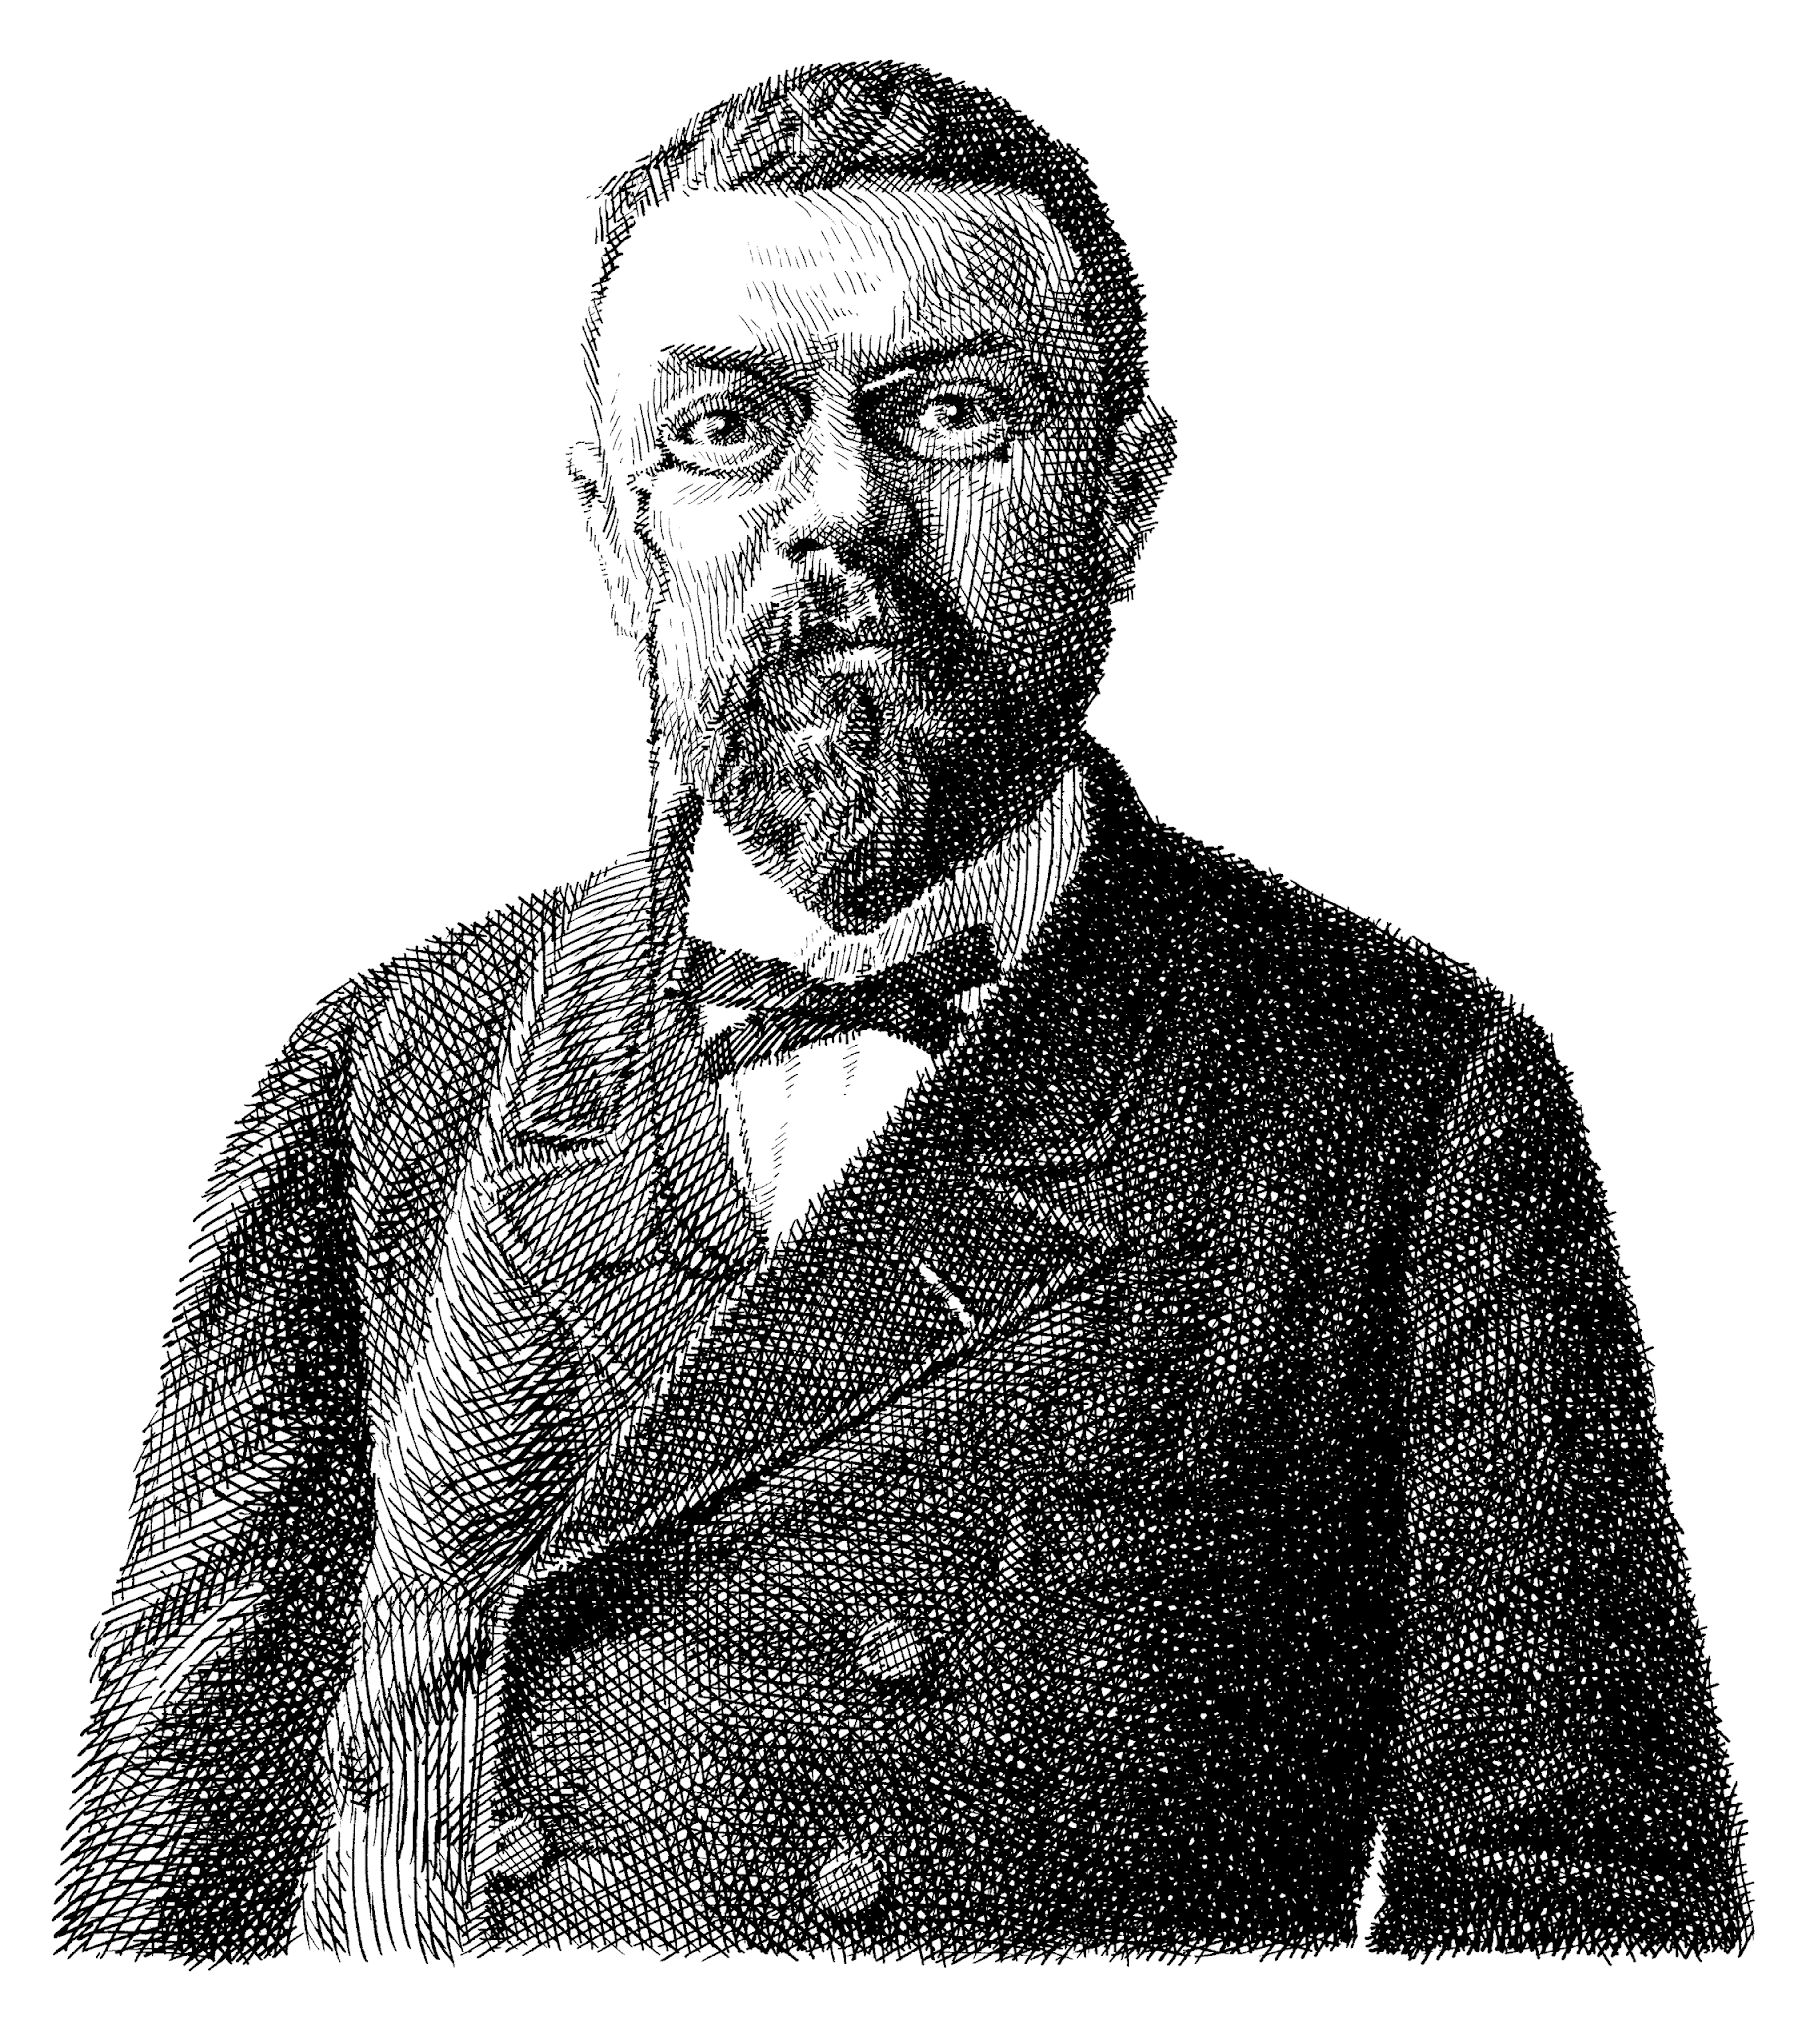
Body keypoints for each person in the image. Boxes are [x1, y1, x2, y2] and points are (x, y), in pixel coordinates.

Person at [58, 60, 1749, 1962]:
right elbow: (154, 1891)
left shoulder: (1400, 1091)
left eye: (950, 414)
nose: (840, 510)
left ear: (1123, 501)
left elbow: (1577, 1923)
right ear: (614, 534)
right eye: (725, 428)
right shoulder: (389, 1067)